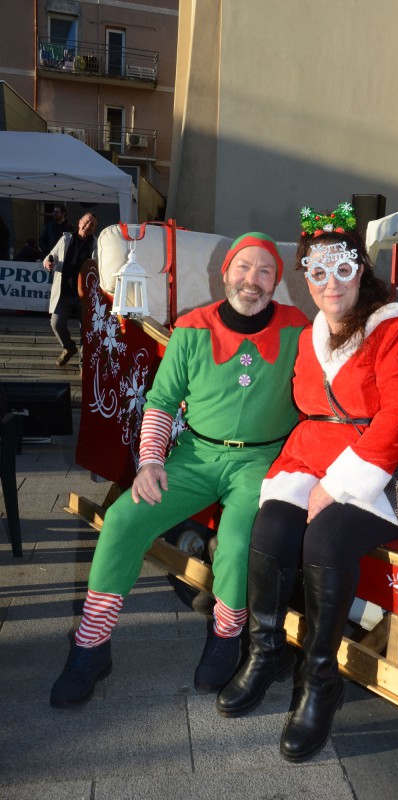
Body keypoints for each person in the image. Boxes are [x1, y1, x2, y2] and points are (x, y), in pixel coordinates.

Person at [217, 203, 398, 762]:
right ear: (307, 277)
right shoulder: (312, 333)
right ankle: (265, 651)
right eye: (317, 272)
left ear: (360, 270)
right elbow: (305, 405)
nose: (330, 283)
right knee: (271, 526)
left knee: (325, 538)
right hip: (314, 457)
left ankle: (319, 681)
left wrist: (341, 484)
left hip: (385, 465)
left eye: (342, 269)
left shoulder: (394, 327)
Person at [50, 231, 309, 708]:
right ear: (225, 272)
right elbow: (162, 401)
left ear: (276, 281)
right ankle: (91, 643)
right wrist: (150, 461)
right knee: (123, 519)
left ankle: (226, 635)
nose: (253, 280)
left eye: (265, 271)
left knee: (236, 541)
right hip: (195, 455)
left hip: (261, 461)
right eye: (244, 267)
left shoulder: (299, 328)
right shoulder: (192, 327)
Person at [43, 212, 98, 366]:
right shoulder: (65, 239)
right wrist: (47, 263)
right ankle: (68, 347)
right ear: (79, 222)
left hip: (85, 295)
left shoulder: (97, 244)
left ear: (95, 229)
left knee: (86, 330)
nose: (88, 226)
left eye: (92, 224)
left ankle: (83, 365)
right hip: (64, 292)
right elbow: (51, 255)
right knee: (56, 324)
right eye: (86, 222)